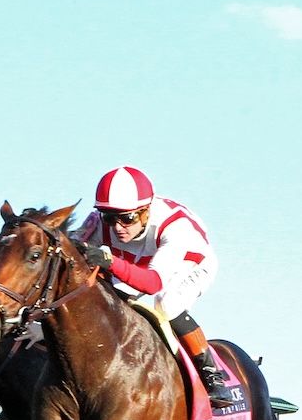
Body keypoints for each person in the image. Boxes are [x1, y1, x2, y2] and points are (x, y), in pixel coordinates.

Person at [73, 165, 234, 406]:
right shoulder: (97, 221)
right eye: (110, 217)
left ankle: (211, 375)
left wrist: (109, 261)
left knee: (166, 304)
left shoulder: (175, 226)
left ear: (147, 210)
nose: (117, 227)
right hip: (137, 264)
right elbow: (70, 249)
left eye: (127, 218)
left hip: (189, 264)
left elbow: (152, 283)